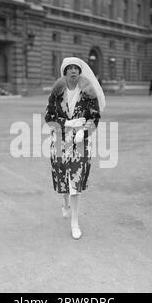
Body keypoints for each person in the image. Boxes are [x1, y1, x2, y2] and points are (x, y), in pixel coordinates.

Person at [44, 57, 105, 240]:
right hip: (61, 140)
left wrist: (84, 132)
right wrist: (67, 123)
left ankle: (75, 222)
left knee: (75, 182)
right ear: (65, 72)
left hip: (80, 143)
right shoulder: (56, 93)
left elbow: (95, 118)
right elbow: (49, 117)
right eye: (69, 68)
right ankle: (64, 202)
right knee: (63, 178)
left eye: (76, 68)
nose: (73, 71)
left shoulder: (88, 93)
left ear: (80, 72)